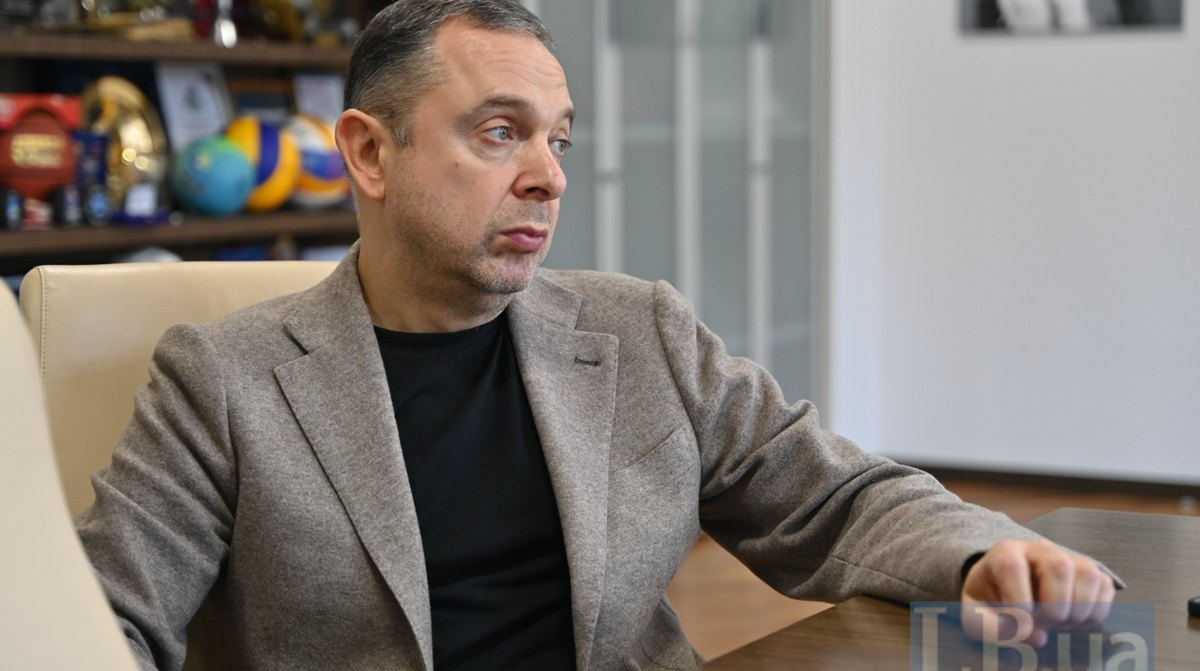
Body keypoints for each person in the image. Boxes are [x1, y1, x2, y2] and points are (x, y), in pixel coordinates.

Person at [77, 1, 1118, 670]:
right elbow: (97, 623)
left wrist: (985, 552)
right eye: (500, 133)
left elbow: (836, 498)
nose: (549, 176)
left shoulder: (641, 329)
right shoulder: (222, 380)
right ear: (369, 153)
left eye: (558, 139)